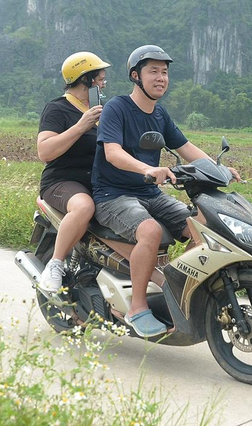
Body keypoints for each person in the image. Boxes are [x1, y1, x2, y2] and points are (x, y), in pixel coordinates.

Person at [91, 44, 240, 337]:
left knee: (202, 225)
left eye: (165, 72)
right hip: (113, 194)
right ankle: (137, 307)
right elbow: (112, 152)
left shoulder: (160, 115)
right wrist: (147, 169)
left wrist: (219, 168)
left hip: (150, 194)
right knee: (150, 231)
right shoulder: (117, 108)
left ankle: (177, 288)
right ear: (136, 76)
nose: (161, 78)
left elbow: (186, 148)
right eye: (153, 71)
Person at [37, 51, 110, 292]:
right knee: (84, 206)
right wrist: (80, 126)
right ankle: (56, 264)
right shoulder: (58, 109)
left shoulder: (102, 111)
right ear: (85, 80)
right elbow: (45, 151)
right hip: (62, 181)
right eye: (99, 78)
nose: (103, 83)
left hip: (97, 182)